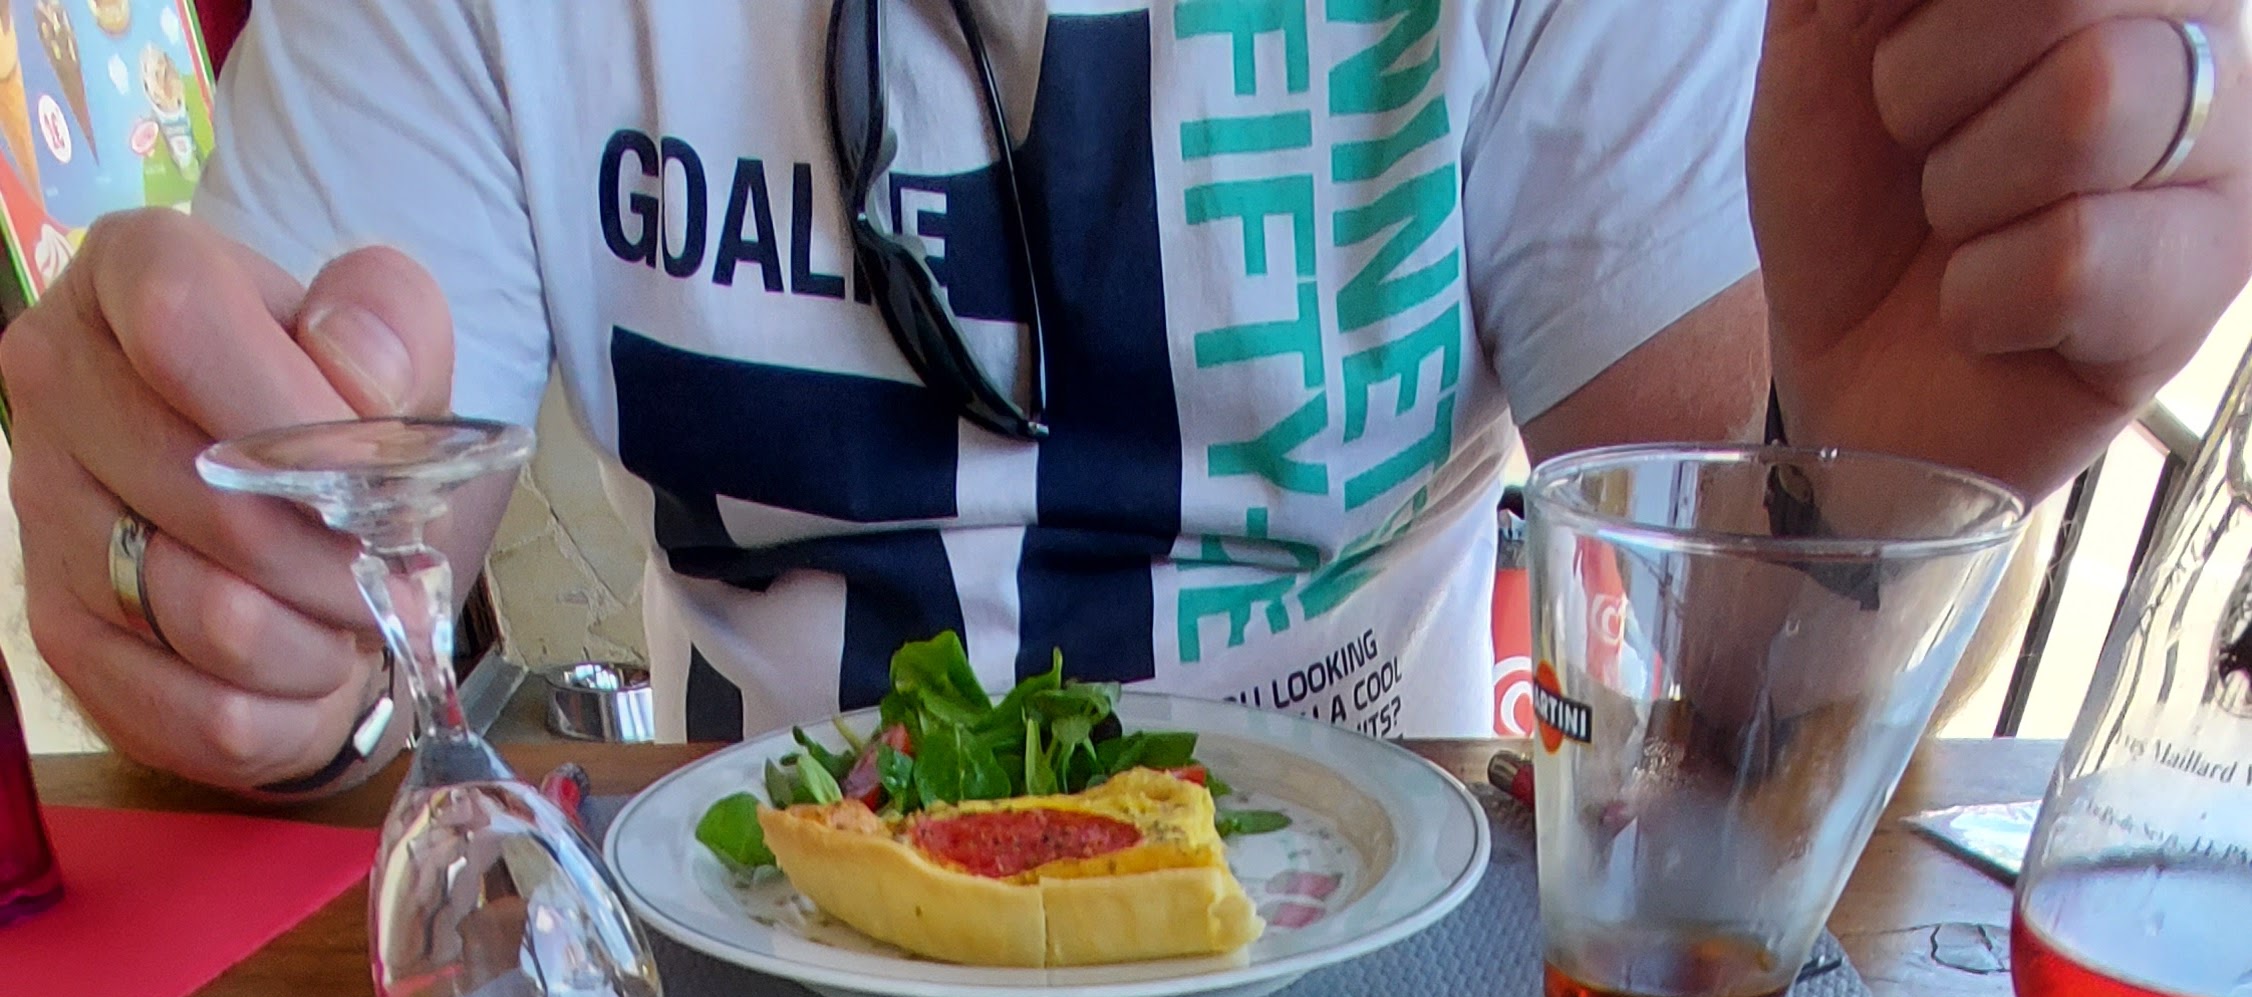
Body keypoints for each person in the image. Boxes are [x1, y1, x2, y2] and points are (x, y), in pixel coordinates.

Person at [6, 0, 2248, 792]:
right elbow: (301, 541)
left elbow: (1722, 690)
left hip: (1391, 995)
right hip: (759, 972)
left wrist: (1868, 490)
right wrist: (220, 608)